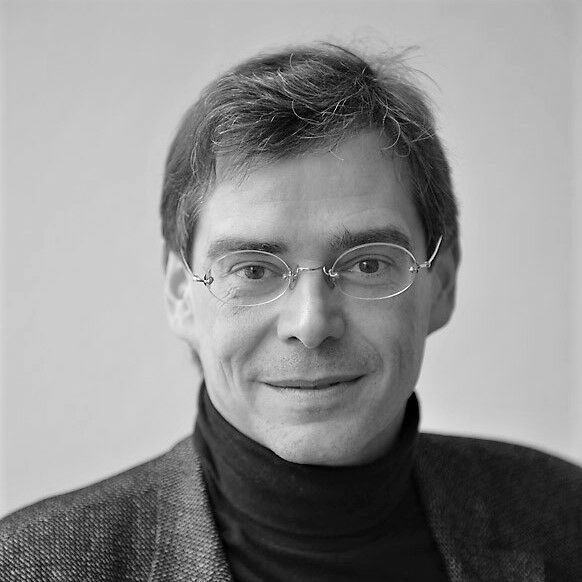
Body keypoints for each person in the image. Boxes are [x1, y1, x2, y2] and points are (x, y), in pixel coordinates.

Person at [1, 42, 581, 582]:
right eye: (254, 270)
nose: (310, 324)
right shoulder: (27, 563)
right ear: (181, 294)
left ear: (442, 283)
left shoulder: (566, 517)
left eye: (368, 264)